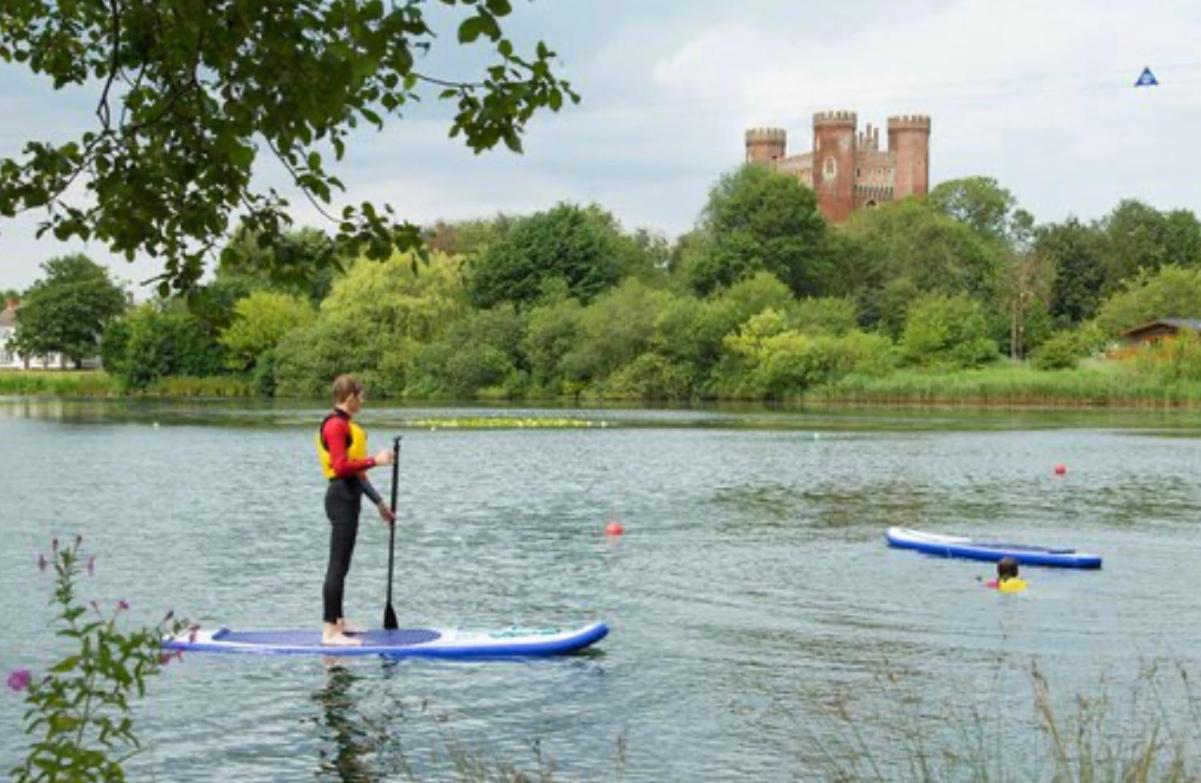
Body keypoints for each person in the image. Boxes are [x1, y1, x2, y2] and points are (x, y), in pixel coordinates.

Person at [316, 374, 396, 646]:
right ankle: (329, 632)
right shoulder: (336, 427)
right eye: (361, 396)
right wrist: (376, 460)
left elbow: (357, 475)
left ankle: (338, 621)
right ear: (349, 397)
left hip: (350, 495)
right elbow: (340, 467)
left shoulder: (346, 426)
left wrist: (379, 503)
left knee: (344, 565)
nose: (363, 400)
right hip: (340, 498)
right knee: (336, 566)